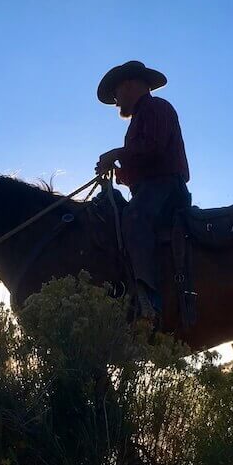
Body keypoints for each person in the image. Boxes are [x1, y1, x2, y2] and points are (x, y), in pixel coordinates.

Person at [94, 60, 191, 322]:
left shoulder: (156, 107)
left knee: (134, 218)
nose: (115, 101)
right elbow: (141, 164)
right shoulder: (140, 117)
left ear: (128, 85)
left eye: (115, 93)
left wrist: (116, 153)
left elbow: (153, 149)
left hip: (167, 188)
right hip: (152, 188)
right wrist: (117, 173)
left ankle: (149, 300)